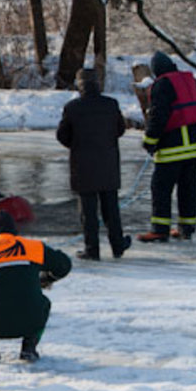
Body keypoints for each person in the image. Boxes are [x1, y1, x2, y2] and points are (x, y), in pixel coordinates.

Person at [0, 211, 71, 363]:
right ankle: (29, 347)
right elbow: (64, 264)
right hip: (29, 319)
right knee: (43, 304)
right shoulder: (33, 247)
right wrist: (47, 278)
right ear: (15, 232)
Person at [137, 51, 196, 242]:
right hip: (195, 147)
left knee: (161, 188)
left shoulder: (162, 84)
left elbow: (159, 115)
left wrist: (149, 141)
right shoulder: (190, 81)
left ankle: (160, 229)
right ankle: (186, 228)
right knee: (188, 188)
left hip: (172, 149)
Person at [56, 68, 131, 260]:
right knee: (111, 209)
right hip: (108, 165)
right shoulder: (111, 104)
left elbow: (62, 135)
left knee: (88, 212)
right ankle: (117, 245)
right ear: (97, 83)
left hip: (83, 167)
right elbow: (120, 129)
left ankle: (92, 249)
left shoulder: (72, 107)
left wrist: (77, 145)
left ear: (79, 85)